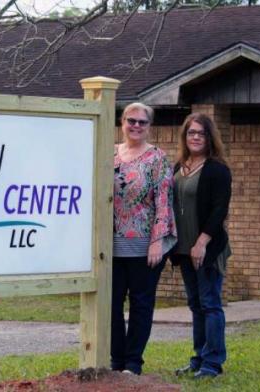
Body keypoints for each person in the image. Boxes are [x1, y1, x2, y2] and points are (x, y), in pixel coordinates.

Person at [111, 102, 177, 375]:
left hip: (144, 246)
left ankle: (133, 363)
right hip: (110, 246)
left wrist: (157, 241)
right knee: (111, 305)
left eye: (142, 122)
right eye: (131, 120)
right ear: (122, 122)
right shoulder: (109, 154)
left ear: (150, 127)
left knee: (141, 304)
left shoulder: (157, 159)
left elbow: (164, 202)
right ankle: (117, 360)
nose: (136, 126)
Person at [172, 113, 232, 379]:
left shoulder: (217, 169)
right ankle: (199, 358)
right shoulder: (179, 166)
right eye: (191, 132)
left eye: (201, 133)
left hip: (206, 249)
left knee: (210, 304)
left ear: (210, 138)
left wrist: (201, 242)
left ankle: (213, 363)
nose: (196, 137)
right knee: (196, 305)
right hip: (183, 249)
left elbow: (220, 210)